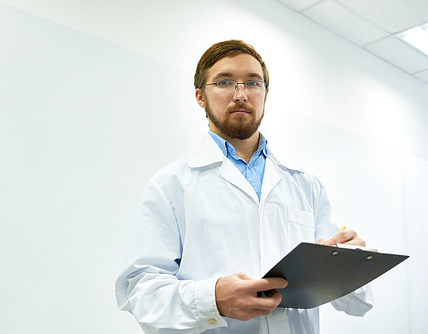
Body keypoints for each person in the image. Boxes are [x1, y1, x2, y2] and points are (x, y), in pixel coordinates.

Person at [115, 40, 373, 334]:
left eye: (253, 83)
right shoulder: (170, 185)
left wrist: (348, 262)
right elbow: (141, 292)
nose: (241, 94)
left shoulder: (305, 184)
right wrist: (213, 300)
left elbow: (357, 302)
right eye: (225, 82)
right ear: (200, 96)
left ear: (265, 94)